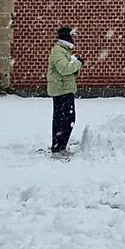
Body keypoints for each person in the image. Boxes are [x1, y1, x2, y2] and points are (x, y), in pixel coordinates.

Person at [47, 26, 83, 157]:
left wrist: (76, 64)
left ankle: (61, 147)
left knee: (67, 119)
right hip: (60, 91)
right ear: (66, 37)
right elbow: (64, 69)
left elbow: (68, 71)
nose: (75, 39)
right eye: (73, 36)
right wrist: (78, 63)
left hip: (65, 90)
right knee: (63, 120)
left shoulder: (64, 51)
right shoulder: (58, 52)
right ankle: (57, 148)